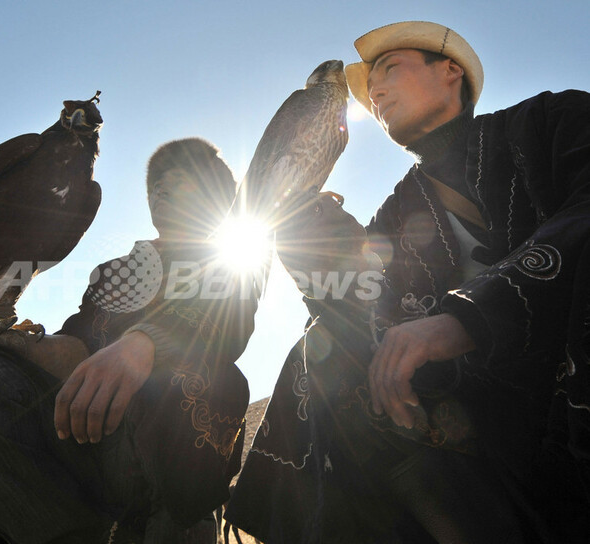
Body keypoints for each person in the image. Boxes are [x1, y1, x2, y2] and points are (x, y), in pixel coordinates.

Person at [227, 21, 590, 543]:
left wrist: (470, 316)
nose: (374, 92)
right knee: (325, 350)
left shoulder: (549, 122)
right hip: (479, 424)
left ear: (451, 71)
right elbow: (367, 315)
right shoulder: (397, 214)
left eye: (389, 69)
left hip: (569, 395)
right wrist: (309, 233)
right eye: (368, 88)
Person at [0, 137, 256, 544]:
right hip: (87, 436)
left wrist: (143, 344)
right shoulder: (114, 272)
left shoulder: (233, 263)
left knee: (204, 382)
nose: (162, 192)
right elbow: (78, 346)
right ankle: (70, 535)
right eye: (157, 185)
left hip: (166, 447)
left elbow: (230, 327)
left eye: (181, 181)